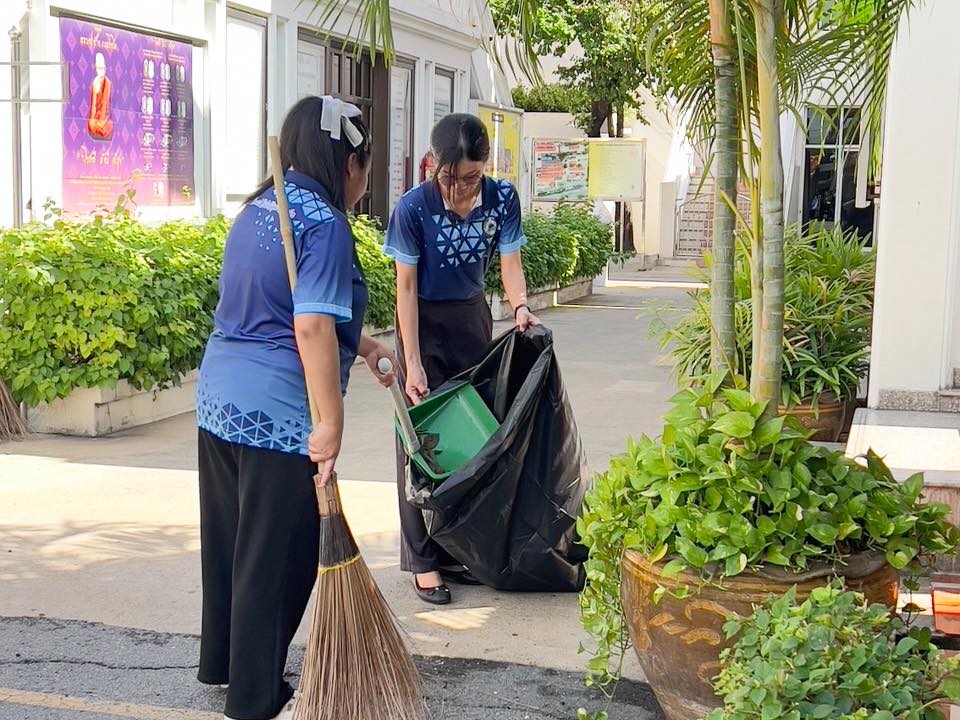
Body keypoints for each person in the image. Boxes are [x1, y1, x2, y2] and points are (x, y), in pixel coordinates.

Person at [194, 95, 394, 720]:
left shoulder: (259, 209)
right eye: (365, 164)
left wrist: (362, 342)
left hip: (219, 401)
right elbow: (308, 326)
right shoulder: (326, 225)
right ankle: (254, 697)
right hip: (278, 411)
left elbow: (282, 303)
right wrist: (330, 424)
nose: (364, 180)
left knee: (234, 542)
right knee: (281, 552)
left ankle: (227, 664)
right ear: (349, 162)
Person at [384, 113, 539, 606]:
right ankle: (423, 561)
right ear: (434, 165)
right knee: (420, 440)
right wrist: (413, 361)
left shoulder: (502, 199)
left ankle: (456, 548)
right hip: (423, 324)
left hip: (473, 320)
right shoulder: (413, 208)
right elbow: (404, 287)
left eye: (471, 177)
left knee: (474, 438)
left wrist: (519, 306)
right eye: (451, 178)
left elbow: (508, 266)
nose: (461, 189)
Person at [87, 52, 113, 139]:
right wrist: (94, 121)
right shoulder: (95, 82)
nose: (101, 71)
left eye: (102, 68)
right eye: (99, 68)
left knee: (108, 126)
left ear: (105, 69)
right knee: (91, 124)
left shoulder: (108, 83)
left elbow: (106, 106)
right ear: (96, 69)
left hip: (104, 119)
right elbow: (93, 106)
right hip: (96, 119)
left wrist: (102, 122)